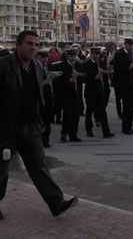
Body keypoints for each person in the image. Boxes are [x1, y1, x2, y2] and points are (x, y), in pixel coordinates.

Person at [0, 30, 78, 220]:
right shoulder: (3, 66)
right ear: (18, 45)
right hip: (5, 129)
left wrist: (41, 122)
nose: (33, 48)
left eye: (36, 44)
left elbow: (38, 96)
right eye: (29, 43)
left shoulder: (37, 66)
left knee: (39, 167)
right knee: (1, 172)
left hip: (30, 127)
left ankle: (56, 202)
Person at [51, 48, 82, 142]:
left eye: (74, 56)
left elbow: (83, 76)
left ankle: (73, 134)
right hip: (65, 93)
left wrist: (79, 76)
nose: (73, 58)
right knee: (68, 114)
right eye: (71, 56)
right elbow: (56, 80)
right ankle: (64, 133)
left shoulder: (77, 65)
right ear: (67, 56)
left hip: (75, 92)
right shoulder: (61, 65)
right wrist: (67, 81)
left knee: (76, 114)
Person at [83, 47, 115, 138]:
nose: (97, 56)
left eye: (98, 54)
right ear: (91, 54)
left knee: (102, 112)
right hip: (90, 91)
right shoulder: (86, 64)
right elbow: (83, 78)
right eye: (95, 54)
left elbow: (105, 74)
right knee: (89, 111)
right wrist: (94, 78)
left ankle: (106, 131)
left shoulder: (101, 63)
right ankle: (89, 130)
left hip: (100, 91)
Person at [113, 38, 133, 135]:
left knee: (132, 106)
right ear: (126, 45)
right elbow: (117, 69)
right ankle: (125, 127)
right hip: (124, 83)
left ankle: (130, 125)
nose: (132, 47)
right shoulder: (119, 54)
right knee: (127, 106)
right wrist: (128, 67)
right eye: (130, 45)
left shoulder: (132, 54)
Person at [36, 48, 54, 147]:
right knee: (41, 119)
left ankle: (46, 140)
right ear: (38, 57)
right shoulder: (34, 67)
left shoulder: (48, 66)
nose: (45, 60)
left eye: (47, 58)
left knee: (48, 118)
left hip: (48, 95)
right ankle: (41, 140)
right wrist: (43, 83)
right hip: (39, 97)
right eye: (43, 58)